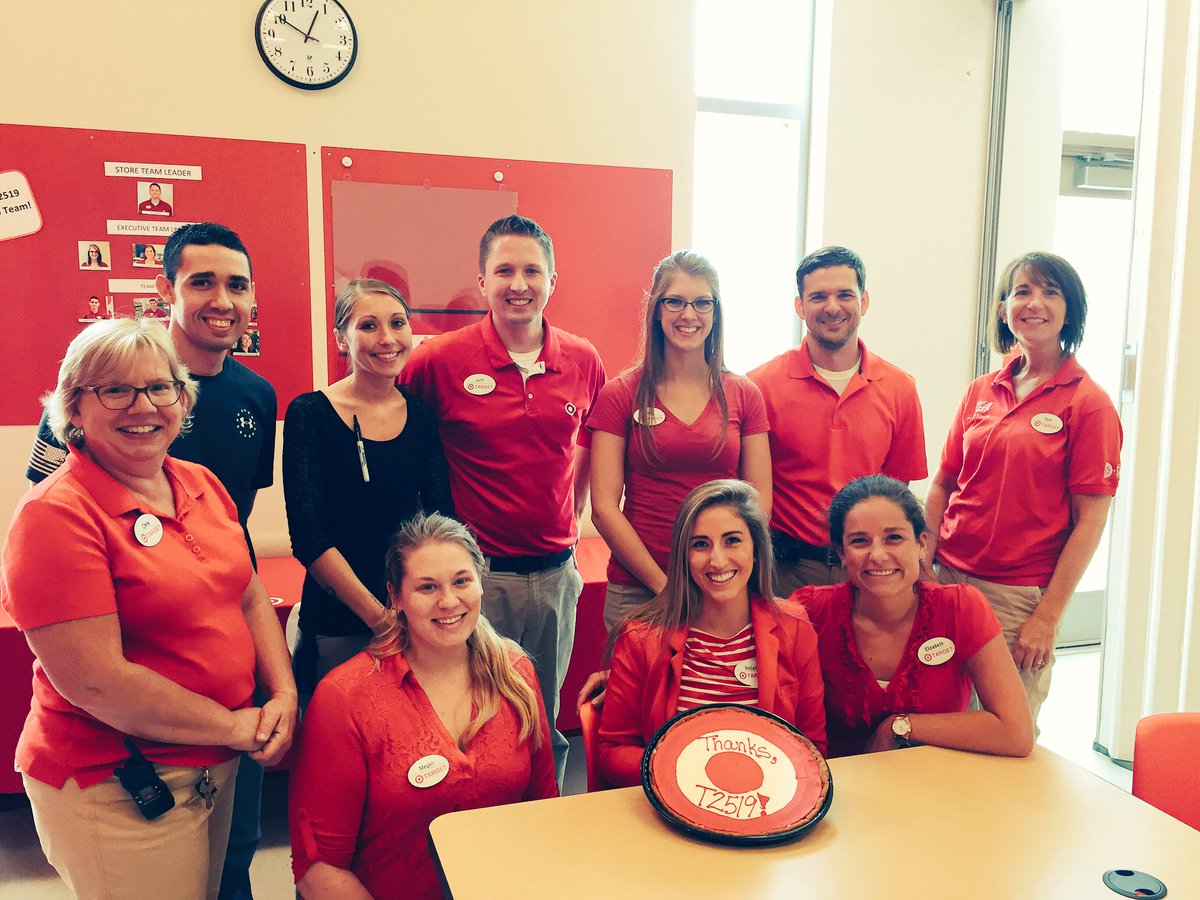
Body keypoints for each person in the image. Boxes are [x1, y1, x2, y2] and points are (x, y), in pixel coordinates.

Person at [0, 318, 296, 900]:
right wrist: (238, 726)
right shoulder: (54, 517)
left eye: (160, 387)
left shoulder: (200, 482)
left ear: (182, 400)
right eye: (115, 389)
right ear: (73, 409)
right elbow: (99, 683)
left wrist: (280, 693)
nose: (143, 405)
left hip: (216, 762)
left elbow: (248, 591)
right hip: (119, 782)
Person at [402, 215, 606, 785]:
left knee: (542, 714)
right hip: (473, 580)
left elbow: (590, 436)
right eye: (505, 271)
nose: (519, 284)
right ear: (483, 281)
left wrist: (577, 505)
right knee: (469, 717)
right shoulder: (438, 360)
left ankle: (541, 827)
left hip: (555, 576)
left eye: (532, 271)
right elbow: (402, 440)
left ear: (552, 280)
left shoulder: (583, 358)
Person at [288, 513, 557, 900]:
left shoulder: (515, 674)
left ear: (481, 583)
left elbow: (543, 810)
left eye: (461, 581)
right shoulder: (346, 698)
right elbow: (319, 870)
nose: (448, 601)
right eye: (427, 587)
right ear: (395, 597)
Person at [924, 252, 1122, 732]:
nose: (1034, 303)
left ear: (1069, 311)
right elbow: (945, 483)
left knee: (1000, 731)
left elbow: (1091, 522)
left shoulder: (1087, 403)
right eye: (1022, 291)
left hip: (1017, 598)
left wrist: (1047, 618)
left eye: (1050, 292)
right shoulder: (982, 391)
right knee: (937, 719)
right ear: (1003, 307)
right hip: (947, 579)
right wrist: (922, 560)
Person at [284, 278, 454, 702]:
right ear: (342, 337)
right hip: (340, 621)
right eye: (368, 326)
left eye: (398, 323)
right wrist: (379, 619)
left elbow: (441, 518)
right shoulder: (310, 414)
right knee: (339, 746)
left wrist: (427, 605)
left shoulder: (419, 414)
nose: (387, 339)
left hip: (413, 615)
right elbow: (308, 536)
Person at [596, 479, 827, 788]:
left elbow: (813, 747)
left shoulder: (794, 626)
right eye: (700, 544)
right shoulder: (641, 637)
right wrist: (680, 767)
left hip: (768, 807)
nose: (717, 561)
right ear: (684, 556)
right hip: (673, 810)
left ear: (757, 550)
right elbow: (612, 753)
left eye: (732, 541)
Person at [588, 251, 772, 633]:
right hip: (639, 590)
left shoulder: (744, 394)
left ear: (716, 312)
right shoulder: (620, 394)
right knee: (636, 695)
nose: (688, 314)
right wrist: (667, 588)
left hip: (720, 585)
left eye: (702, 302)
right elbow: (604, 508)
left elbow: (759, 503)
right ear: (656, 310)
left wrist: (719, 575)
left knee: (712, 694)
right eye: (675, 301)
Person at [797, 475, 1033, 758]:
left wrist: (898, 727)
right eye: (859, 541)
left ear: (921, 544)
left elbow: (1016, 732)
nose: (878, 555)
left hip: (937, 784)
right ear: (842, 554)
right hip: (842, 789)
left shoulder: (960, 608)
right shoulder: (811, 610)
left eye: (893, 538)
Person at [749, 246, 926, 595]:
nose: (832, 307)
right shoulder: (760, 386)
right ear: (800, 306)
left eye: (845, 294)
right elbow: (749, 490)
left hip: (865, 571)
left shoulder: (900, 388)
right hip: (783, 571)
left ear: (864, 301)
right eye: (818, 296)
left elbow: (897, 493)